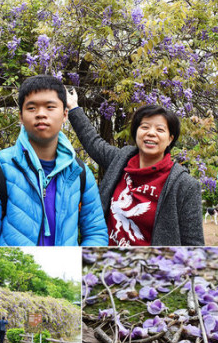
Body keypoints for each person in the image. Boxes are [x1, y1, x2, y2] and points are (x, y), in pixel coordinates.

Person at [0, 75, 108, 246]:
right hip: (15, 271)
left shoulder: (79, 173)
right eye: (32, 108)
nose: (41, 114)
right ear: (21, 116)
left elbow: (96, 233)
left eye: (50, 107)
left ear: (65, 114)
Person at [66, 88, 204, 246]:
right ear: (136, 132)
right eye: (145, 127)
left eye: (160, 129)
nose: (151, 133)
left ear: (170, 139)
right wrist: (73, 107)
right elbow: (93, 142)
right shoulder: (120, 161)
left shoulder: (184, 185)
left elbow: (193, 244)